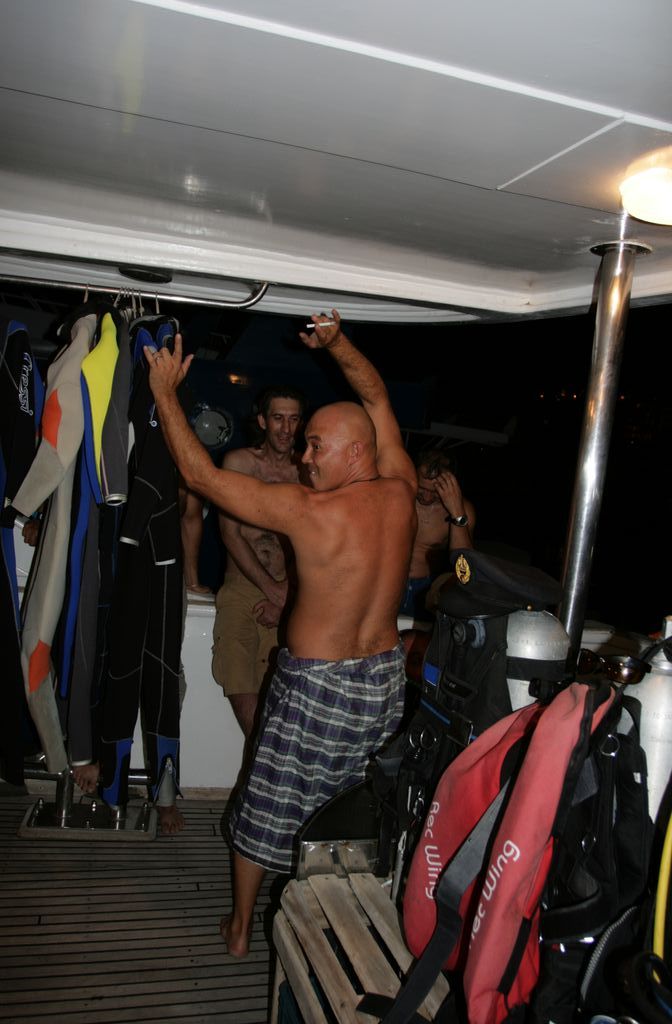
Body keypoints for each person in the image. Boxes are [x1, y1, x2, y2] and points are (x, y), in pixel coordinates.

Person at [144, 309, 417, 958]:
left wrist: (164, 395)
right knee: (350, 799)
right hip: (382, 681)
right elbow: (376, 396)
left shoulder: (310, 512)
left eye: (317, 445)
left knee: (268, 798)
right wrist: (339, 343)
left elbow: (201, 478)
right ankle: (334, 915)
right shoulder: (402, 493)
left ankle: (241, 928)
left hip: (317, 685)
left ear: (356, 453)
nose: (303, 456)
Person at [212, 385, 305, 757]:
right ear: (263, 421)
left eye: (294, 419)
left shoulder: (306, 472)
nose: (286, 428)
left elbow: (311, 541)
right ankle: (264, 768)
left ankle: (261, 776)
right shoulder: (239, 463)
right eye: (278, 418)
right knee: (237, 679)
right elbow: (229, 533)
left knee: (281, 691)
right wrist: (273, 590)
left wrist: (287, 595)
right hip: (243, 587)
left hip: (290, 591)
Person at [399, 450, 476, 621]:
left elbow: (464, 571)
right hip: (390, 581)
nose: (426, 497)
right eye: (422, 488)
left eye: (435, 491)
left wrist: (456, 512)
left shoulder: (463, 510)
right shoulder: (398, 497)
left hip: (427, 589)